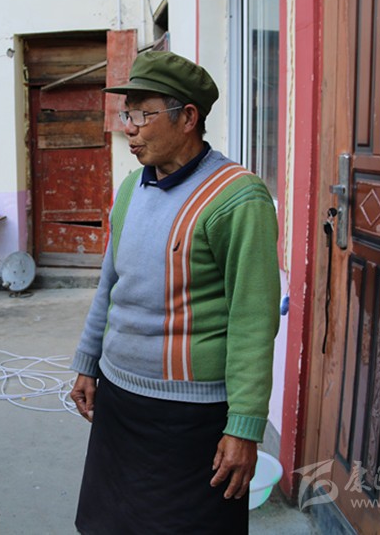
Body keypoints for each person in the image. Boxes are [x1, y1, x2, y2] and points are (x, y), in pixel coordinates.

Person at [69, 51, 280, 534]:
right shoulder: (131, 189)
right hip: (119, 401)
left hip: (190, 417)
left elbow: (253, 320)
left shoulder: (237, 199)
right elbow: (111, 283)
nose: (129, 128)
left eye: (143, 114)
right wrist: (87, 361)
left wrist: (244, 425)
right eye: (126, 114)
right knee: (108, 525)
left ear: (187, 118)